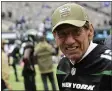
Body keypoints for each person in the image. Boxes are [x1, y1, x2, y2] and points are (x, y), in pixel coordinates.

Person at [51, 3, 112, 91]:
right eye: (62, 34)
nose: (70, 41)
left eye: (76, 32)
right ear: (54, 36)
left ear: (90, 31)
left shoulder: (108, 65)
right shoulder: (62, 66)